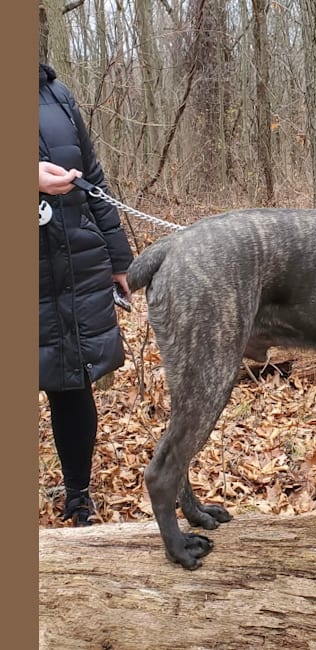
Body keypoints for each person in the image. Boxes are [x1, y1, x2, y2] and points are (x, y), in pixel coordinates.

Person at [39, 62, 134, 526]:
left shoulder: (56, 94)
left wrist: (119, 259)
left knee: (71, 383)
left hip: (72, 262)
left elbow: (93, 176)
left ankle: (78, 495)